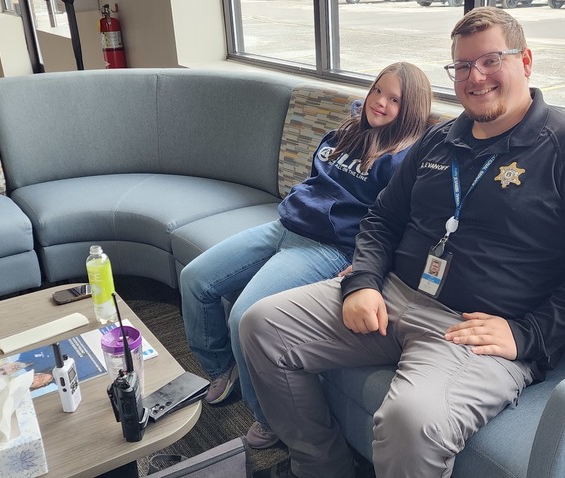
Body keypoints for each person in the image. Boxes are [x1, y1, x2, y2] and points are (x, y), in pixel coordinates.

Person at [239, 7, 565, 477]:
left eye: (491, 60)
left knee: (411, 422)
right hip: (392, 294)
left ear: (526, 61)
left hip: (474, 329)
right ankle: (320, 467)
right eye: (463, 66)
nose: (476, 77)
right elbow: (383, 217)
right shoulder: (439, 140)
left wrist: (530, 333)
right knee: (261, 326)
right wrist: (363, 281)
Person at [178, 62, 433, 449]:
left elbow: (399, 224)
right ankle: (221, 369)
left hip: (328, 248)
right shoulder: (345, 132)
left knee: (244, 316)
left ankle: (268, 420)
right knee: (195, 280)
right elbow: (315, 184)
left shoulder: (402, 160)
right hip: (283, 225)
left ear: (411, 109)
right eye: (377, 91)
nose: (380, 102)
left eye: (394, 99)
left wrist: (368, 267)